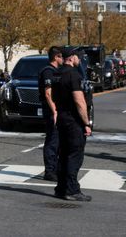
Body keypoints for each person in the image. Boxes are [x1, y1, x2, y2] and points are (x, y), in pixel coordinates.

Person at [52, 47, 93, 201]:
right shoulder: (73, 75)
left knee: (63, 154)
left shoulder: (57, 74)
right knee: (74, 155)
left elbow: (51, 95)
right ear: (72, 58)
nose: (80, 60)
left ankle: (61, 188)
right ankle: (72, 189)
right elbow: (79, 101)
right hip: (73, 120)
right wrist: (86, 122)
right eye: (79, 57)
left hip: (62, 117)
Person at [39, 46, 63, 181]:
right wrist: (54, 111)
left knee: (58, 141)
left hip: (56, 109)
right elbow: (48, 94)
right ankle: (49, 171)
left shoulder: (55, 71)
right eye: (61, 57)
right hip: (51, 110)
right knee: (52, 141)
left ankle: (55, 169)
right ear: (56, 57)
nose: (63, 59)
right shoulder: (48, 71)